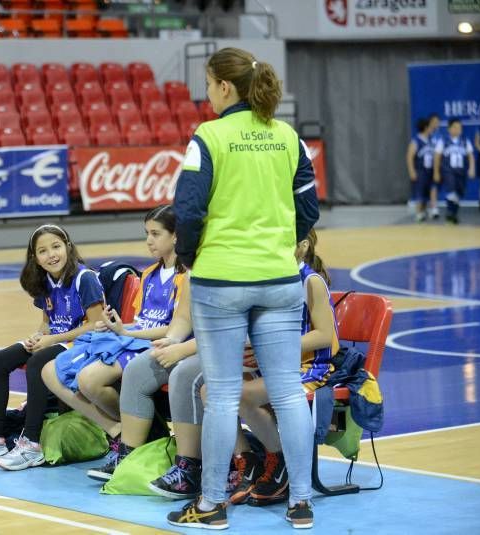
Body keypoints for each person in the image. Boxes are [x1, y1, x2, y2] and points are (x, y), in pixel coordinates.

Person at [170, 47, 319, 530]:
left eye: (209, 83)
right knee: (290, 394)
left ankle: (211, 505)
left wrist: (190, 256)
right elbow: (309, 211)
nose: (206, 92)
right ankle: (301, 503)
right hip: (279, 280)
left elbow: (187, 212)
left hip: (221, 281)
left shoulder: (208, 137)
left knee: (224, 394)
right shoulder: (288, 136)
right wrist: (283, 243)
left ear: (225, 87)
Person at [148, 230, 337, 509]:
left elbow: (325, 337)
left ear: (302, 246)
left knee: (241, 395)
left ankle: (281, 462)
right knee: (210, 392)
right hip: (270, 364)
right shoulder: (267, 280)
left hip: (307, 367)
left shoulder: (311, 281)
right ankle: (247, 462)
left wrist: (272, 347)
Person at [41, 205, 186, 458]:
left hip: (159, 345)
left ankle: (138, 435)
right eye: (146, 233)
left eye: (155, 234)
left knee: (89, 380)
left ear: (175, 236)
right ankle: (124, 431)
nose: (148, 240)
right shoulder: (150, 274)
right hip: (133, 338)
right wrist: (117, 327)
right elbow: (141, 321)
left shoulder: (186, 277)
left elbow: (176, 328)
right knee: (51, 370)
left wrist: (127, 333)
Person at [0, 224, 104, 471]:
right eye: (43, 251)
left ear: (68, 247)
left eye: (56, 247)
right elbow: (48, 322)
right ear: (35, 258)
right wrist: (38, 336)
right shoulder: (46, 280)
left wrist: (51, 340)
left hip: (84, 344)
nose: (52, 255)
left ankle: (32, 443)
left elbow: (97, 325)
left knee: (38, 363)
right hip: (57, 341)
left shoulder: (85, 278)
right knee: (0, 360)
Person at [434, 118, 475, 225]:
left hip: (461, 172)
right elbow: (437, 157)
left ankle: (454, 213)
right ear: (449, 129)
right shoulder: (443, 141)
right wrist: (436, 172)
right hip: (448, 170)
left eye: (459, 128)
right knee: (451, 189)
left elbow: (470, 156)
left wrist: (471, 168)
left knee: (458, 193)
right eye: (455, 127)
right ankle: (450, 212)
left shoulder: (465, 141)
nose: (457, 130)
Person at [406, 118, 436, 222]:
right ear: (426, 127)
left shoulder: (431, 140)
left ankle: (425, 211)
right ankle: (419, 213)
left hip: (430, 170)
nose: (432, 128)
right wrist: (412, 171)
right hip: (420, 170)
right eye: (430, 127)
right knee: (420, 193)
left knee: (428, 192)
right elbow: (409, 157)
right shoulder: (416, 141)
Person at [427, 113, 443, 219]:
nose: (437, 124)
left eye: (438, 122)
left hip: (436, 163)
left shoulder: (439, 135)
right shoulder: (426, 134)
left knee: (434, 186)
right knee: (429, 187)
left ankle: (433, 207)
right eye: (435, 122)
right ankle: (432, 207)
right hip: (426, 164)